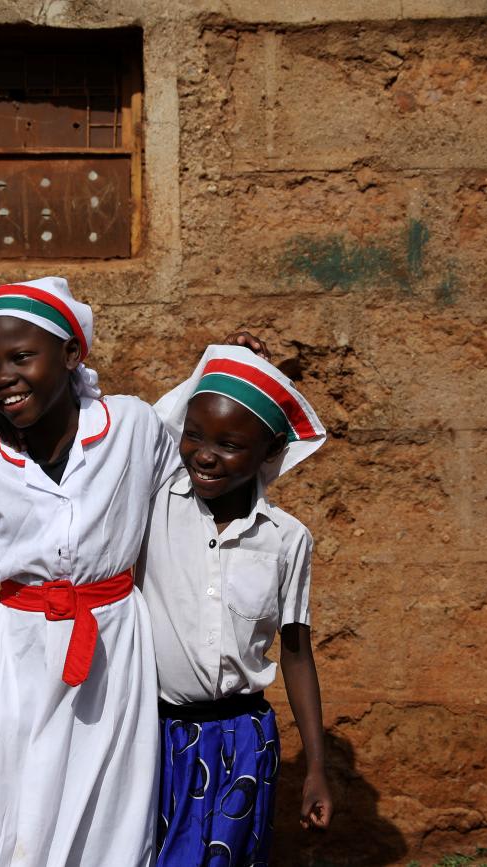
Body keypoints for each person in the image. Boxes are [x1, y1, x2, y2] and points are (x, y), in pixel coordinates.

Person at [0, 276, 179, 867]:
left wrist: (234, 365)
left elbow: (209, 455)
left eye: (20, 357)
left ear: (70, 355)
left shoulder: (134, 429)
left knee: (111, 826)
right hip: (18, 663)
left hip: (115, 661)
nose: (3, 377)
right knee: (16, 826)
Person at [140, 344, 334, 867]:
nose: (204, 455)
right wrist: (220, 360)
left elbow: (296, 654)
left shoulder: (287, 539)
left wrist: (316, 766)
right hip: (151, 737)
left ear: (270, 454)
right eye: (195, 434)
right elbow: (148, 430)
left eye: (229, 444)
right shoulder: (152, 506)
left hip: (243, 743)